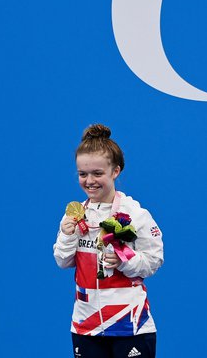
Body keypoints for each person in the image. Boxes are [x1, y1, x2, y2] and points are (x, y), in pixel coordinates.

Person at [54, 124, 163, 358]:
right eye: (83, 174)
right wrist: (67, 234)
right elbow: (63, 261)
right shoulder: (73, 214)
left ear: (116, 171)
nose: (89, 181)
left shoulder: (135, 214)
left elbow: (154, 260)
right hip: (86, 325)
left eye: (97, 173)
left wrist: (125, 260)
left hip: (130, 324)